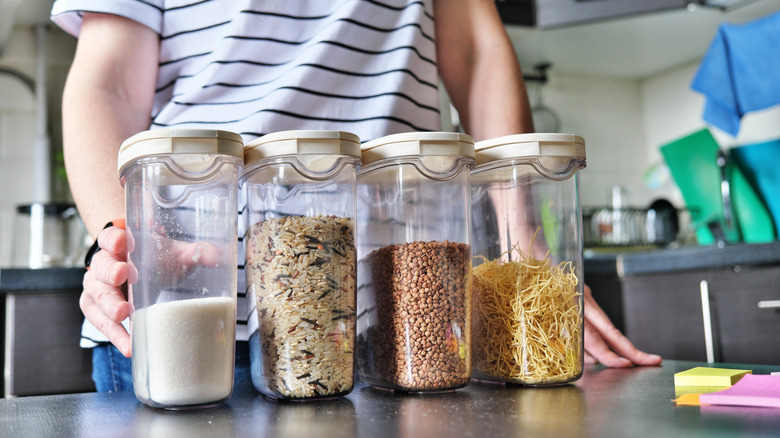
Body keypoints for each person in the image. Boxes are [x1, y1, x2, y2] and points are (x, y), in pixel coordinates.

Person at [52, 0, 660, 392]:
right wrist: (129, 239)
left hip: (404, 327)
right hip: (193, 315)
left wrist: (521, 254)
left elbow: (475, 50)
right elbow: (103, 84)